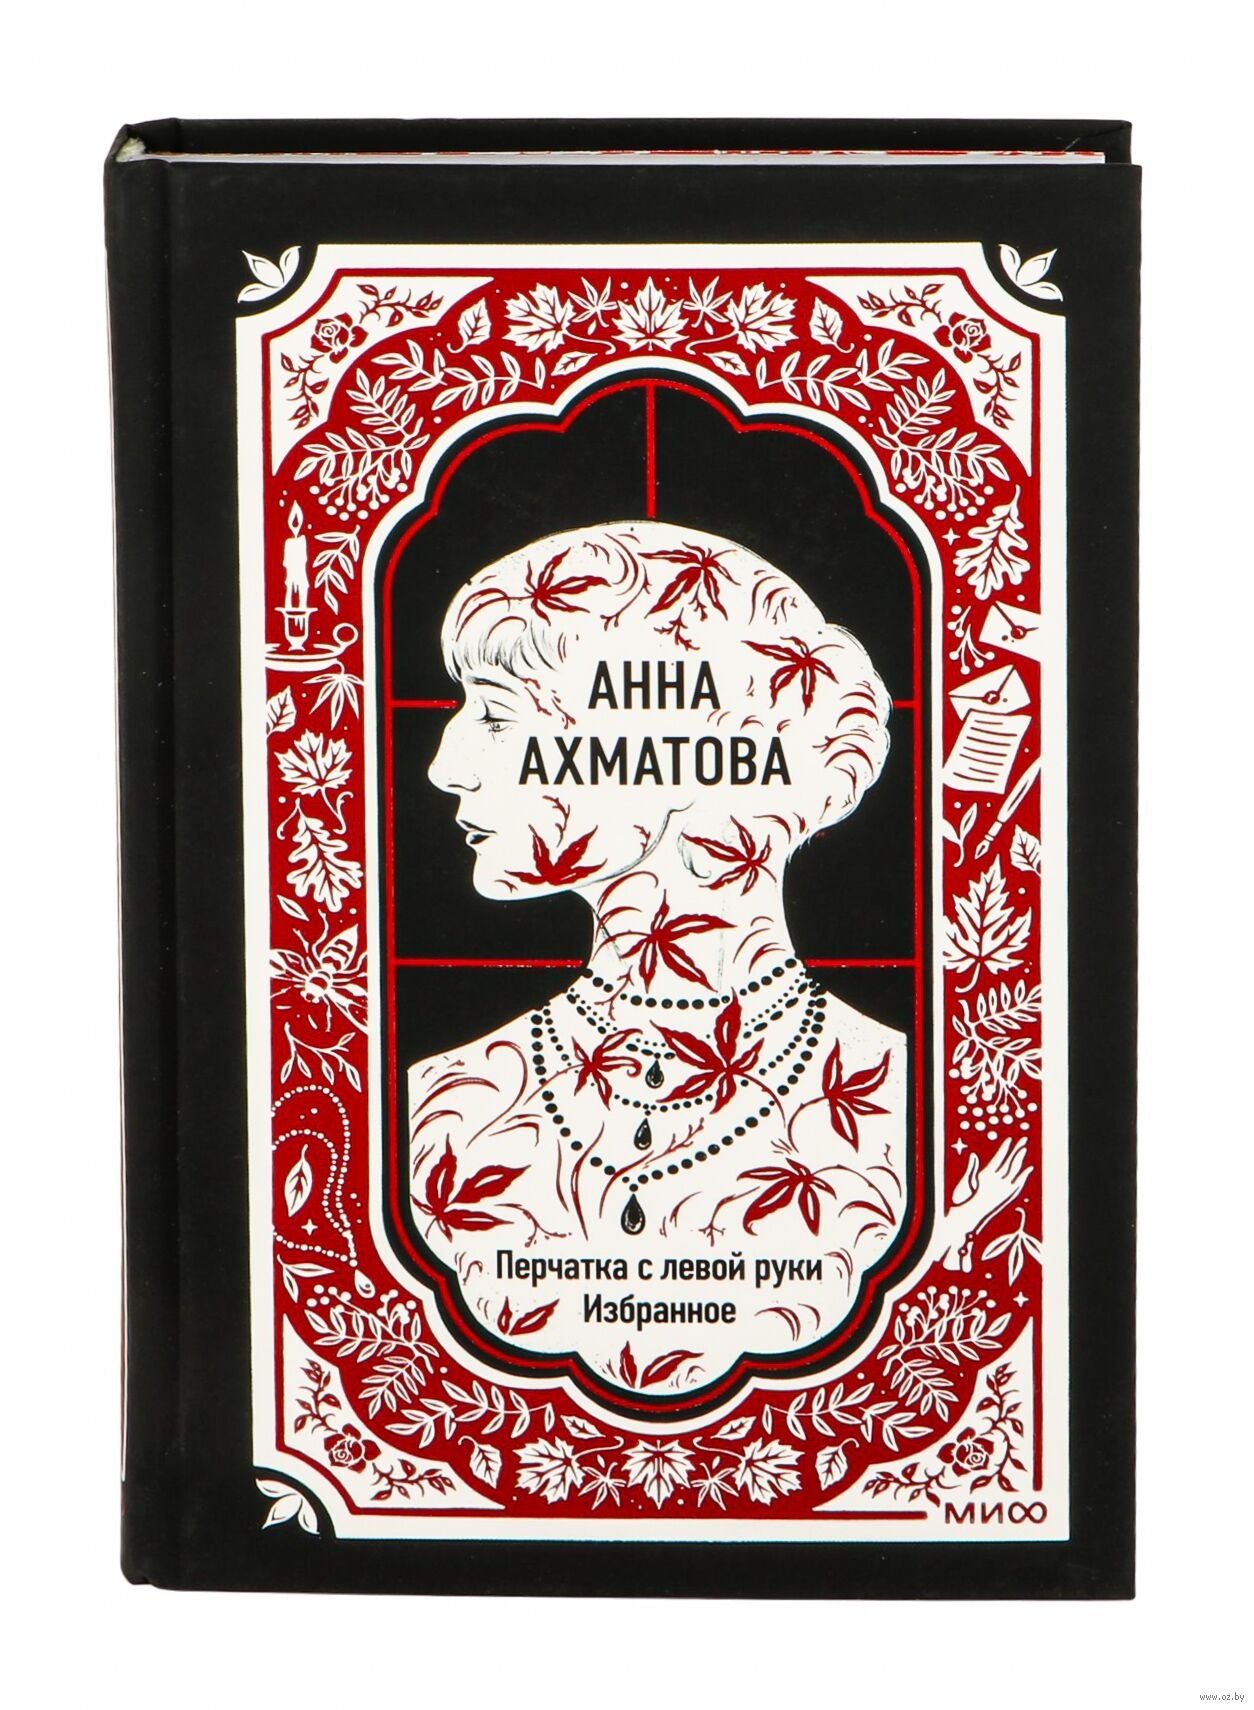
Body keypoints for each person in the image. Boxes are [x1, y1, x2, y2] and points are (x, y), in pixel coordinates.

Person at [408, 520, 907, 1395]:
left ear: (677, 755)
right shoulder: (445, 1107)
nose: (445, 767)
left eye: (494, 714)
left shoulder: (912, 1112)